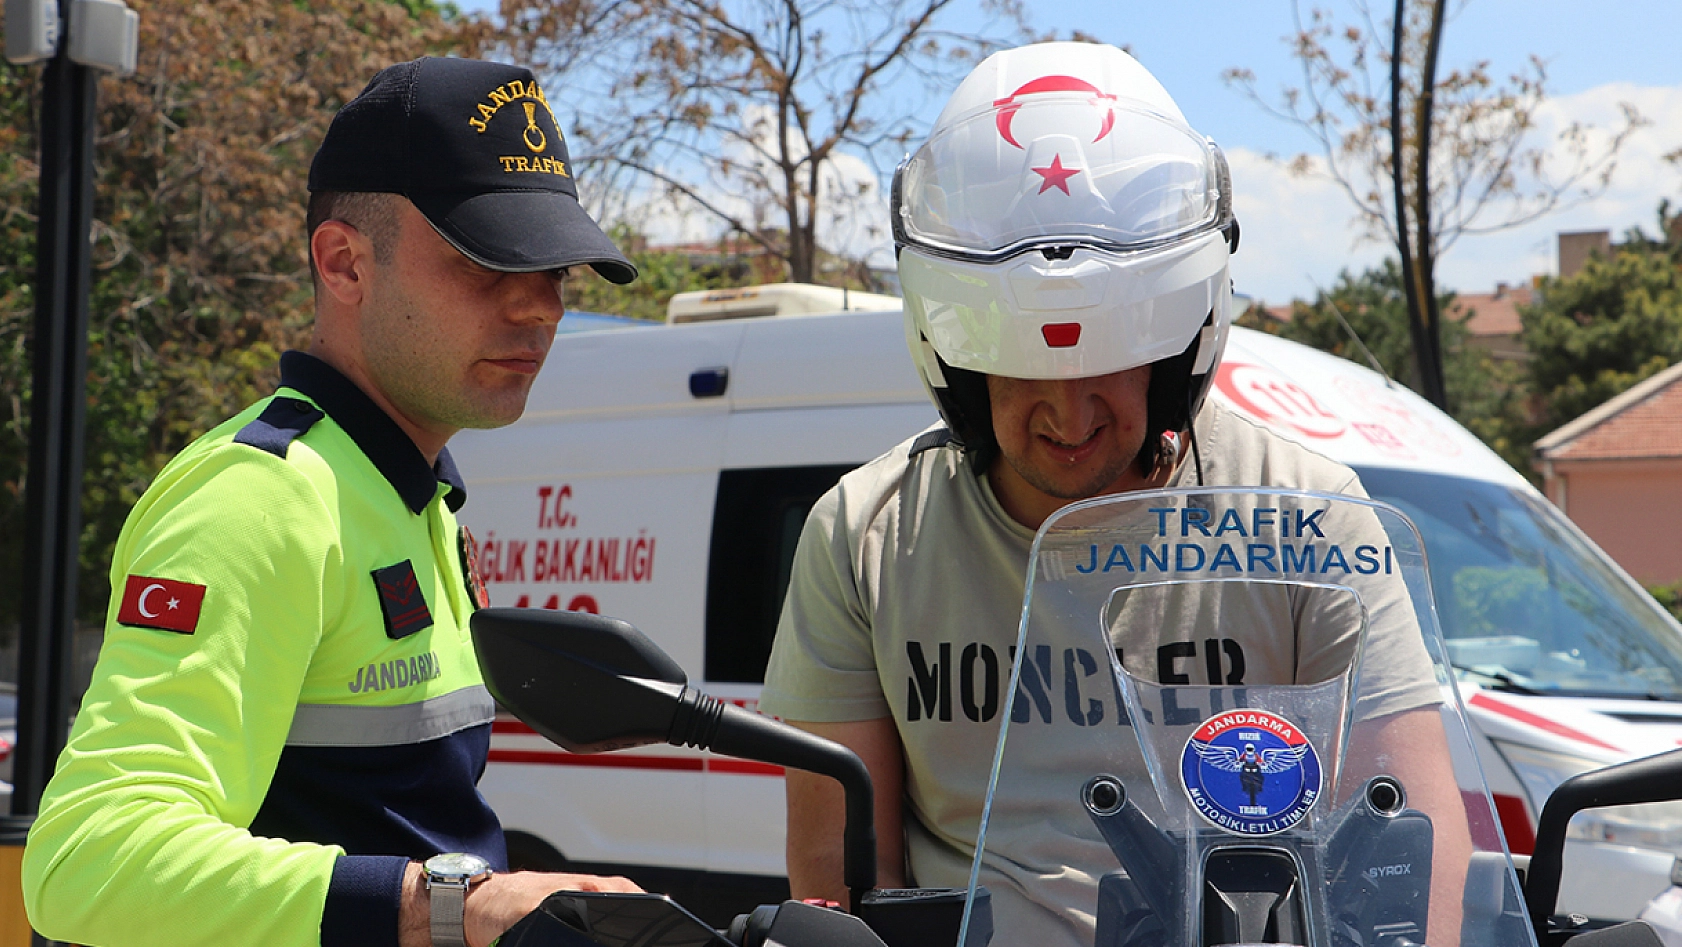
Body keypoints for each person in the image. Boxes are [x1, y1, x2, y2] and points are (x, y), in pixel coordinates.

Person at [758, 41, 1471, 945]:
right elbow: (844, 876)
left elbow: (1412, 831)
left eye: (1108, 368)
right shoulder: (866, 535)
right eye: (1021, 375)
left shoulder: (1306, 516)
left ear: (1177, 348)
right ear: (963, 365)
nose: (1066, 413)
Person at [23, 57, 643, 947]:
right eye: (486, 260)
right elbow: (87, 860)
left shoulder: (412, 494)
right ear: (344, 264)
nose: (539, 306)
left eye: (556, 269)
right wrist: (452, 907)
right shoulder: (262, 494)